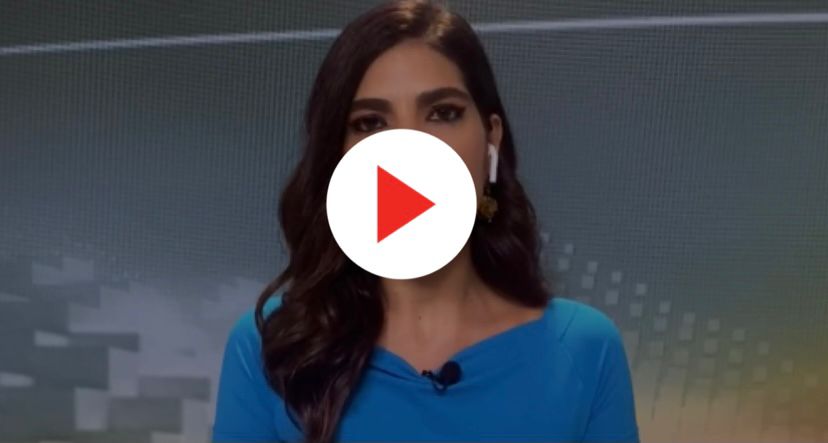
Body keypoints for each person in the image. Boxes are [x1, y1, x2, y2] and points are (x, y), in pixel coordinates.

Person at [212, 1, 638, 442]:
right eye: (370, 123)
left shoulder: (584, 349)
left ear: (491, 139)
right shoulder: (271, 347)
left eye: (443, 113)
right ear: (337, 158)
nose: (409, 150)